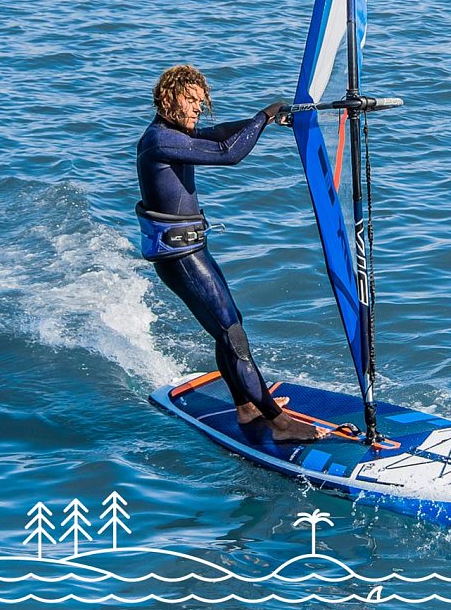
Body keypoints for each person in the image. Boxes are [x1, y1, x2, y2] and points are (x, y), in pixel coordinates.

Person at [136, 64, 328, 442]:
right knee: (232, 334)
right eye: (189, 100)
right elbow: (229, 153)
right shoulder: (160, 140)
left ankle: (246, 406)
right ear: (168, 99)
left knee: (229, 326)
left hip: (191, 249)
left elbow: (219, 133)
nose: (197, 108)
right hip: (180, 258)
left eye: (200, 101)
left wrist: (267, 118)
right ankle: (279, 423)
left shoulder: (176, 134)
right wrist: (263, 116)